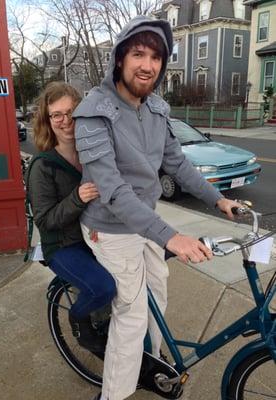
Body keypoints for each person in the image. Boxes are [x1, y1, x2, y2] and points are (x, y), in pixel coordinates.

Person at [74, 15, 241, 400]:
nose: (147, 65)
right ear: (120, 58)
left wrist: (218, 199)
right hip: (110, 226)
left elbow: (178, 164)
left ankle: (149, 363)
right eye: (138, 54)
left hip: (143, 222)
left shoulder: (157, 110)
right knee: (130, 317)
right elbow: (112, 191)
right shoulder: (93, 112)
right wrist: (172, 236)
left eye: (156, 57)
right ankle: (114, 394)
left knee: (158, 297)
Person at [26, 81, 116, 352]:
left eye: (71, 112)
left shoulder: (92, 154)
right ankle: (79, 319)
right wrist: (78, 198)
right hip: (63, 246)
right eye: (57, 115)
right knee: (103, 287)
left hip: (93, 234)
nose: (66, 121)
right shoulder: (43, 166)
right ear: (48, 120)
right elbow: (46, 220)